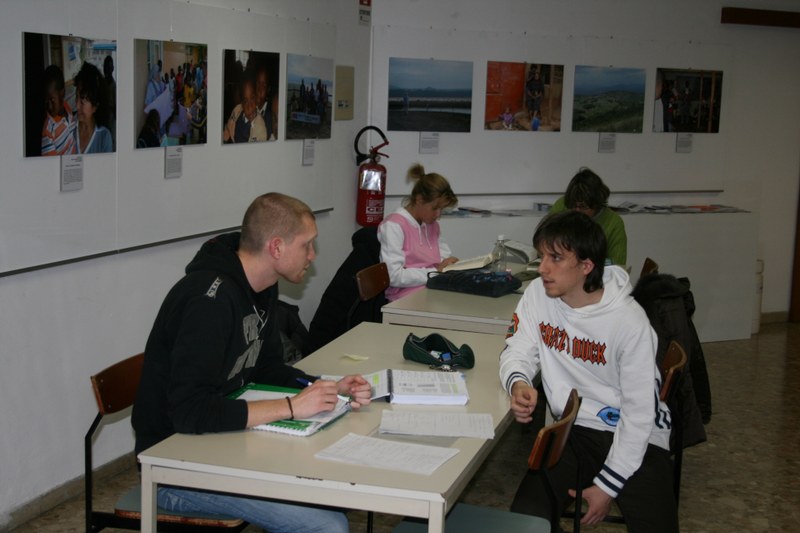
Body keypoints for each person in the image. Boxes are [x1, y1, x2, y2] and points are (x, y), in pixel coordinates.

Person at [132, 193, 372, 533]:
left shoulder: (263, 287)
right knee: (326, 525)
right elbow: (189, 411)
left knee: (334, 483)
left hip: (224, 443)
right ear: (276, 247)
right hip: (173, 469)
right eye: (306, 245)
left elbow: (266, 367)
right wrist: (291, 407)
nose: (312, 255)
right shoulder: (207, 302)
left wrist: (324, 386)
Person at [499, 210, 678, 532]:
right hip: (575, 430)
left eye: (555, 258)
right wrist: (519, 383)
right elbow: (518, 348)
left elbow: (640, 413)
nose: (542, 268)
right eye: (542, 256)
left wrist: (608, 486)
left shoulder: (629, 322)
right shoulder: (538, 293)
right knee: (525, 520)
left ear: (586, 266)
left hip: (637, 435)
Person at [377, 163, 459, 301]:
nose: (438, 215)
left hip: (431, 289)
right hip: (404, 298)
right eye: (435, 208)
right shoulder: (394, 225)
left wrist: (451, 265)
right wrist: (436, 272)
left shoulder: (432, 225)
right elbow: (393, 276)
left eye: (442, 209)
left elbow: (443, 260)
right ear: (419, 200)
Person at [550, 167, 627, 266]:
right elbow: (544, 242)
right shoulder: (561, 206)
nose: (577, 211)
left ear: (597, 204)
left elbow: (617, 265)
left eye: (583, 207)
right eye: (573, 206)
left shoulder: (614, 223)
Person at [73, 62, 113, 154]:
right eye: (76, 97)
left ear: (95, 106)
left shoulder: (104, 137)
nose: (77, 105)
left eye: (82, 102)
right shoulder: (68, 128)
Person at [40, 64, 76, 156]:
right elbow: (50, 164)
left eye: (52, 100)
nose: (49, 106)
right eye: (46, 101)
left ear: (62, 93)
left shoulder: (67, 108)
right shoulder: (48, 132)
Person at [223, 74, 267, 143]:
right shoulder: (237, 111)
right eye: (246, 101)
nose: (250, 106)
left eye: (252, 98)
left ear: (256, 98)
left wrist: (252, 125)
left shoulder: (260, 127)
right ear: (242, 104)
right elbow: (228, 129)